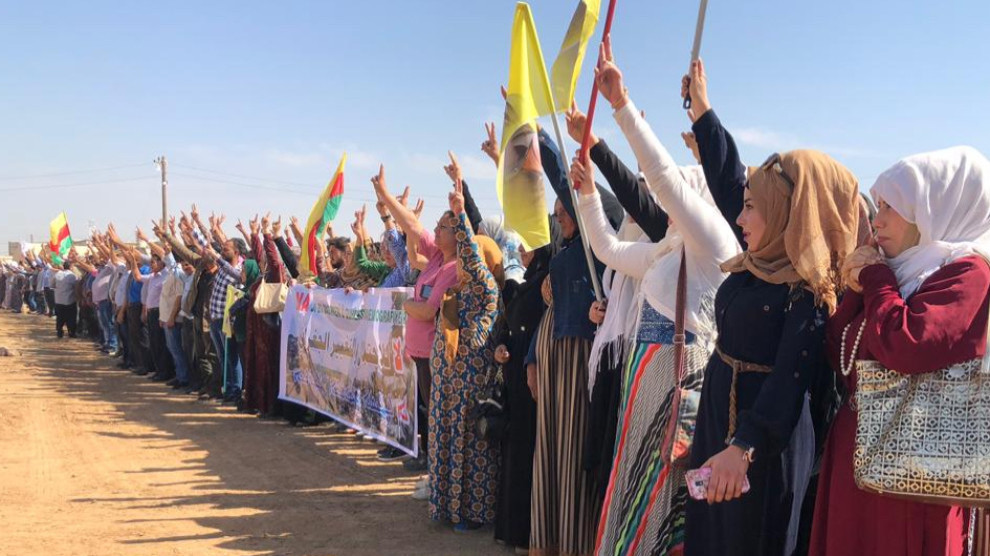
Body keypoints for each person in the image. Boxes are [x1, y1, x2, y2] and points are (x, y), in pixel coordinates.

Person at [680, 59, 860, 556]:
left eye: (751, 207)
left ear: (786, 214)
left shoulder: (808, 291)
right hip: (721, 421)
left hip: (763, 445)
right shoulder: (759, 261)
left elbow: (789, 381)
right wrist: (703, 112)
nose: (739, 217)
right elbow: (729, 182)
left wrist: (744, 445)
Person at [574, 39, 741, 555]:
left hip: (675, 390)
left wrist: (621, 106)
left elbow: (665, 181)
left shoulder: (715, 244)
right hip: (645, 389)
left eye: (676, 199)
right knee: (637, 493)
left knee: (666, 503)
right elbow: (606, 248)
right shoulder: (669, 249)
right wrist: (586, 192)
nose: (660, 201)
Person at [809, 146, 990, 556]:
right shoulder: (900, 272)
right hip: (861, 457)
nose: (878, 219)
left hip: (913, 475)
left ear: (933, 208)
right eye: (880, 206)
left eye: (892, 206)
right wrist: (859, 284)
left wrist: (875, 277)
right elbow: (840, 349)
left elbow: (905, 344)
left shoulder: (968, 273)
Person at [525, 123, 623, 556]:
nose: (561, 214)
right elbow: (551, 309)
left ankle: (573, 544)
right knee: (549, 454)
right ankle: (547, 541)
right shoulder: (566, 251)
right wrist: (532, 357)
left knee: (572, 454)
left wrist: (540, 135)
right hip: (553, 360)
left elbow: (566, 182)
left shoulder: (599, 242)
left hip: (579, 358)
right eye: (559, 210)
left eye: (567, 207)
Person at [373, 164, 460, 480]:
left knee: (434, 410)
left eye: (442, 227)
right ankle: (428, 458)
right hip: (420, 354)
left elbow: (427, 312)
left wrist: (408, 303)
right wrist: (398, 215)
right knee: (426, 407)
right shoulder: (436, 259)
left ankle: (434, 463)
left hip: (435, 354)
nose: (435, 230)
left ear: (458, 235)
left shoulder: (453, 269)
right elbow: (412, 244)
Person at [428, 178, 501, 531]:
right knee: (446, 440)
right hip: (448, 387)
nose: (461, 263)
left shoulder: (486, 289)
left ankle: (471, 513)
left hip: (468, 390)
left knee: (469, 448)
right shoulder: (457, 293)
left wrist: (460, 216)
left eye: (469, 256)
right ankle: (446, 506)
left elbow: (472, 259)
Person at [493, 219, 557, 551]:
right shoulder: (528, 282)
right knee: (515, 455)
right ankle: (510, 529)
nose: (520, 249)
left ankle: (527, 533)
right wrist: (500, 346)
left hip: (536, 383)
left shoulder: (548, 282)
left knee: (528, 455)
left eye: (528, 244)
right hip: (516, 381)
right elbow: (507, 325)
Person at [53, 261, 78, 338]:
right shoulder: (72, 276)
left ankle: (59, 331)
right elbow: (76, 286)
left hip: (59, 299)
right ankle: (71, 332)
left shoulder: (57, 274)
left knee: (60, 317)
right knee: (71, 317)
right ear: (70, 267)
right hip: (69, 299)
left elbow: (52, 284)